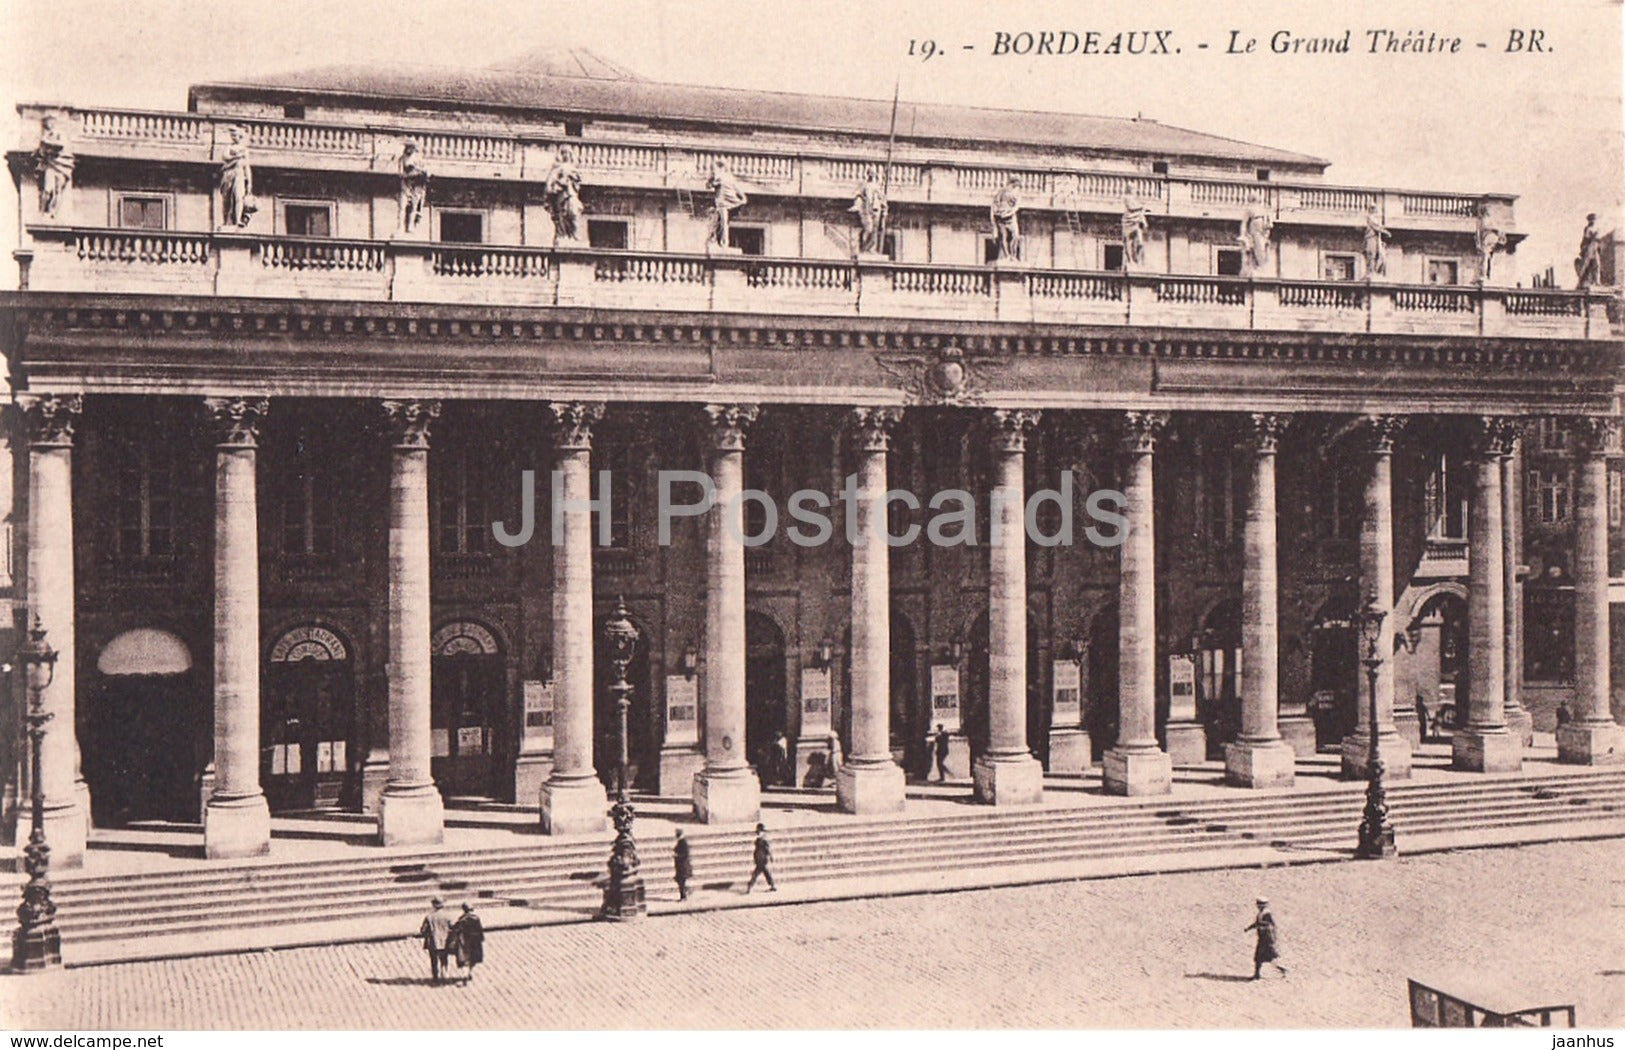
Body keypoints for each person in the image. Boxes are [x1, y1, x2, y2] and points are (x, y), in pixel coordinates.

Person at [35, 114, 75, 218]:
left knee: (58, 191)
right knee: (48, 189)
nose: (48, 125)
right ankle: (43, 211)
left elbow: (60, 145)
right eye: (46, 123)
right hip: (50, 165)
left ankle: (54, 212)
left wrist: (46, 143)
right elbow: (41, 152)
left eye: (50, 122)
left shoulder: (59, 134)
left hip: (62, 165)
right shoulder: (45, 136)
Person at [543, 145, 585, 243]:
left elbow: (578, 182)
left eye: (568, 153)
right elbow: (550, 182)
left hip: (571, 194)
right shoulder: (558, 168)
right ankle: (563, 235)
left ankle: (574, 234)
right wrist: (557, 185)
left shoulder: (574, 168)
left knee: (574, 212)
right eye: (564, 153)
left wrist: (574, 179)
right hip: (561, 195)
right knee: (562, 215)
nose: (566, 155)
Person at [217, 125, 255, 229]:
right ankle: (225, 221)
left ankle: (238, 220)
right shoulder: (229, 148)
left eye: (235, 135)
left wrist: (250, 182)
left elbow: (247, 167)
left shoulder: (244, 150)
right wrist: (237, 157)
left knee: (239, 197)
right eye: (232, 135)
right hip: (228, 174)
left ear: (240, 136)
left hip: (240, 175)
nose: (233, 137)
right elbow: (225, 157)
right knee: (227, 199)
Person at [706, 160, 748, 249]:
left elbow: (710, 185)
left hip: (725, 202)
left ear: (721, 169)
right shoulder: (726, 178)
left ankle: (723, 242)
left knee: (723, 222)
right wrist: (742, 198)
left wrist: (742, 197)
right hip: (722, 203)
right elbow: (709, 185)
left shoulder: (722, 178)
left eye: (714, 169)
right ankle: (722, 242)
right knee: (722, 222)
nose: (713, 171)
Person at [1245, 898, 1286, 980]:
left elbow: (1270, 925)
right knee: (1258, 958)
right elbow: (1257, 923)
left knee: (1268, 957)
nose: (1258, 907)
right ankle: (1257, 975)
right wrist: (1249, 928)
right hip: (1262, 938)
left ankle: (1282, 969)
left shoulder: (1267, 914)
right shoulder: (1261, 913)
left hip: (1267, 939)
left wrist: (1262, 927)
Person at [417, 897, 453, 984]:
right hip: (445, 941)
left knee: (434, 960)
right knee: (444, 959)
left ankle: (435, 976)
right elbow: (452, 927)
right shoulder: (447, 916)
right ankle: (444, 974)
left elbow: (423, 930)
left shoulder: (429, 917)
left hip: (433, 942)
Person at [850, 172, 887, 255]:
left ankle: (872, 249)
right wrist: (859, 201)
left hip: (876, 210)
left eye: (873, 175)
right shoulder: (864, 186)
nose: (871, 176)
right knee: (868, 229)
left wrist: (884, 209)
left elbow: (883, 198)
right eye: (870, 174)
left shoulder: (877, 186)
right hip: (867, 210)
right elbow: (856, 194)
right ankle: (864, 248)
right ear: (868, 175)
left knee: (875, 231)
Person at [450, 902, 484, 984]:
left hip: (465, 941)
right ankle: (469, 973)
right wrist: (481, 939)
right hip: (475, 941)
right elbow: (480, 930)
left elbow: (456, 928)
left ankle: (465, 974)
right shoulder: (476, 918)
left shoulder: (462, 919)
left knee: (464, 959)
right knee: (473, 959)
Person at [398, 141, 428, 234]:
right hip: (406, 185)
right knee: (402, 206)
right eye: (408, 147)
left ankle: (410, 226)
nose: (409, 149)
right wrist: (411, 174)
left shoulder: (418, 160)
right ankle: (400, 226)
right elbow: (401, 174)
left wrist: (421, 173)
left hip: (416, 185)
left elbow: (424, 171)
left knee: (414, 207)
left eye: (411, 147)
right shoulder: (402, 159)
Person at [990, 176, 1022, 261]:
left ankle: (1013, 255)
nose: (1017, 187)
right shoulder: (1001, 192)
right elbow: (994, 204)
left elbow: (1017, 205)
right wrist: (996, 214)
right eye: (1016, 185)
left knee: (1016, 236)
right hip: (1001, 217)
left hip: (1010, 217)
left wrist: (1011, 212)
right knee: (1003, 237)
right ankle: (1006, 255)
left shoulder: (1016, 193)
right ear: (1012, 183)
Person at [1475, 205, 1505, 281]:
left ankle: (1489, 275)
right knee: (1485, 258)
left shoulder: (1489, 220)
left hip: (1491, 239)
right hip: (1486, 239)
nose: (1488, 212)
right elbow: (1478, 232)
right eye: (1487, 210)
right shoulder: (1482, 220)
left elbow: (1499, 230)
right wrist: (1478, 243)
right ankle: (1485, 275)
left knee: (1489, 259)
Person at [745, 823, 777, 892]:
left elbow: (767, 849)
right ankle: (772, 885)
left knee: (756, 873)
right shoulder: (761, 838)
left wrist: (770, 856)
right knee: (765, 872)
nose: (757, 832)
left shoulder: (763, 839)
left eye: (758, 831)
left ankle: (750, 886)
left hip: (761, 859)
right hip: (760, 858)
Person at [1121, 195, 1150, 266]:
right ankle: (1130, 260)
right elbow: (1131, 207)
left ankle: (1137, 260)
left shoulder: (1139, 214)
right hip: (1128, 224)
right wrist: (1141, 207)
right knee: (1128, 242)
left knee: (1140, 243)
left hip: (1135, 226)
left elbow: (1145, 225)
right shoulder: (1127, 198)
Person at [1575, 213, 1603, 288]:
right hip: (1589, 246)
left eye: (1594, 219)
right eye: (1591, 219)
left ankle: (1597, 281)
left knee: (1597, 264)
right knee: (1585, 264)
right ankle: (1580, 280)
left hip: (1595, 246)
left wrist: (1599, 248)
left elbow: (1599, 239)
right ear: (1589, 220)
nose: (1593, 221)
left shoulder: (1597, 228)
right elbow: (1586, 239)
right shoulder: (1588, 228)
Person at [1362, 204, 1390, 277]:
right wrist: (1385, 232)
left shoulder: (1374, 218)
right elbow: (1375, 227)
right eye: (1373, 209)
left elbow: (1378, 227)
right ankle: (1371, 272)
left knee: (1378, 256)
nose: (1375, 211)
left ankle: (1375, 272)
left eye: (1374, 209)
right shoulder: (1370, 217)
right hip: (1371, 238)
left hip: (1376, 239)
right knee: (1372, 255)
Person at [673, 828, 693, 901]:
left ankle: (684, 896)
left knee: (681, 882)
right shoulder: (681, 842)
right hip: (681, 866)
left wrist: (677, 855)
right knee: (681, 882)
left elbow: (685, 854)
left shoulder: (683, 843)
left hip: (683, 867)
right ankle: (685, 894)